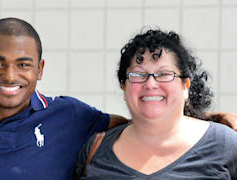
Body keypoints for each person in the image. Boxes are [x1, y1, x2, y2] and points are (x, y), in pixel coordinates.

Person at [0, 18, 235, 180]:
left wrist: (204, 122)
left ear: (40, 69)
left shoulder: (69, 116)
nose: (10, 76)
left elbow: (137, 121)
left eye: (23, 64)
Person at [75, 29, 237, 179]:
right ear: (124, 86)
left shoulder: (225, 145)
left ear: (185, 86)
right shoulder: (95, 149)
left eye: (164, 74)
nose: (150, 84)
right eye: (138, 74)